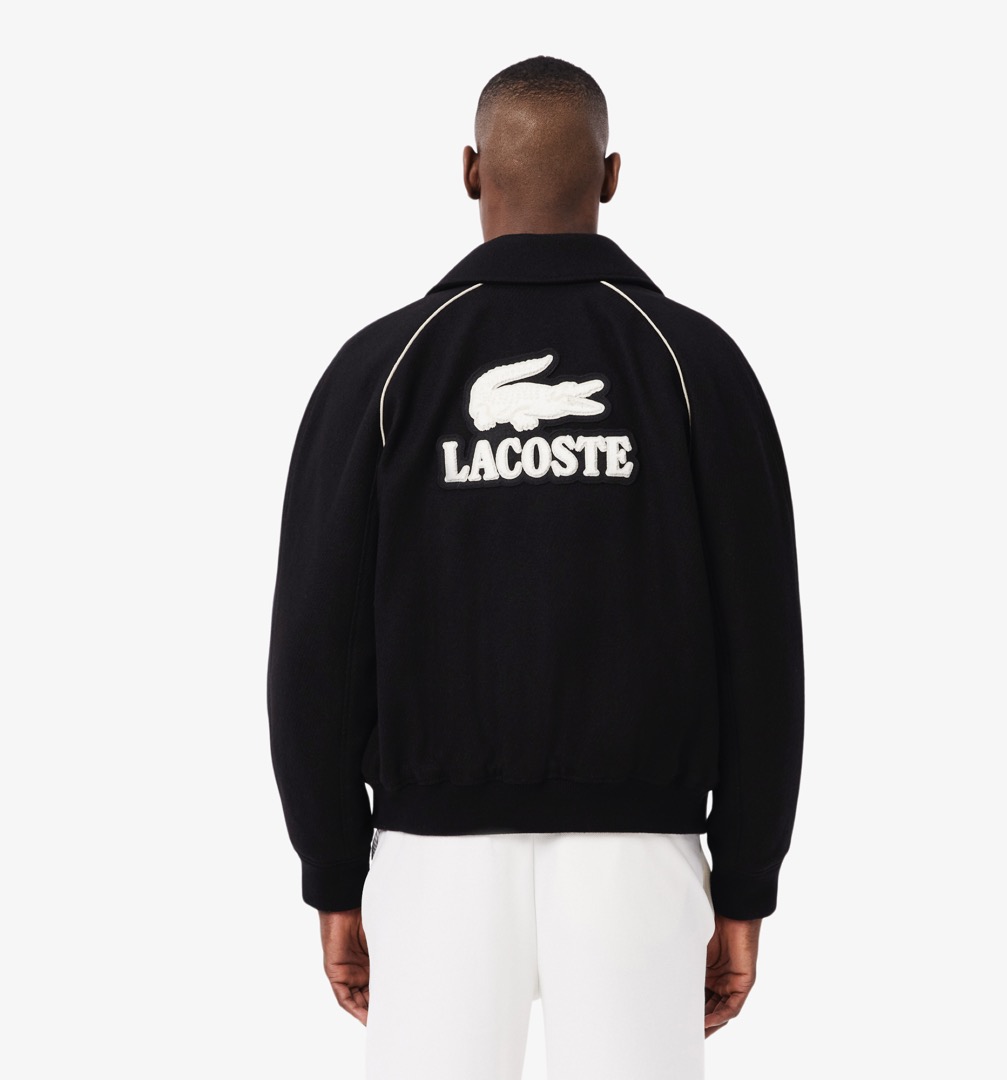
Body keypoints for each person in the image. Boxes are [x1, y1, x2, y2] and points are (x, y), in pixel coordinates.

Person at [266, 55, 804, 1080]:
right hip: (640, 865)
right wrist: (745, 883)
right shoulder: (696, 365)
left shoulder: (380, 370)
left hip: (432, 867)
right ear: (610, 177)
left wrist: (333, 872)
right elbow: (764, 647)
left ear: (471, 171)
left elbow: (311, 650)